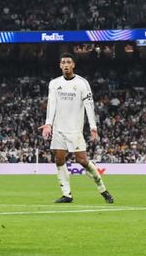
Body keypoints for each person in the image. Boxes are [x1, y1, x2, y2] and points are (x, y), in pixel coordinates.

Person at [39, 53, 114, 205]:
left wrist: (93, 127)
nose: (65, 65)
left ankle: (103, 189)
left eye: (68, 62)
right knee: (59, 159)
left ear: (73, 65)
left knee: (82, 160)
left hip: (74, 129)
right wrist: (48, 124)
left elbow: (89, 105)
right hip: (59, 129)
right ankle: (66, 194)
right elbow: (51, 104)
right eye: (63, 62)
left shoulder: (82, 83)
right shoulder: (54, 83)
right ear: (60, 66)